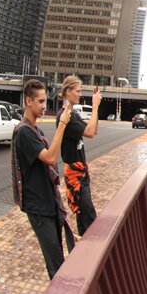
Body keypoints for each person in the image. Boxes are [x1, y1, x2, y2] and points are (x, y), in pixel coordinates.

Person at [11, 79, 73, 279]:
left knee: (58, 257)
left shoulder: (37, 131)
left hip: (49, 203)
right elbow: (50, 157)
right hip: (38, 207)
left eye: (45, 101)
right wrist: (62, 123)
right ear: (28, 101)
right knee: (56, 265)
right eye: (40, 101)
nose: (44, 106)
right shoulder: (24, 133)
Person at [56, 76, 102, 237]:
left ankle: (83, 252)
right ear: (68, 92)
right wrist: (95, 106)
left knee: (83, 215)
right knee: (88, 215)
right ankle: (94, 254)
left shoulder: (73, 114)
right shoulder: (66, 116)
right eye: (78, 91)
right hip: (76, 175)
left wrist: (96, 109)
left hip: (82, 172)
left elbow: (93, 130)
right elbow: (89, 132)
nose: (80, 94)